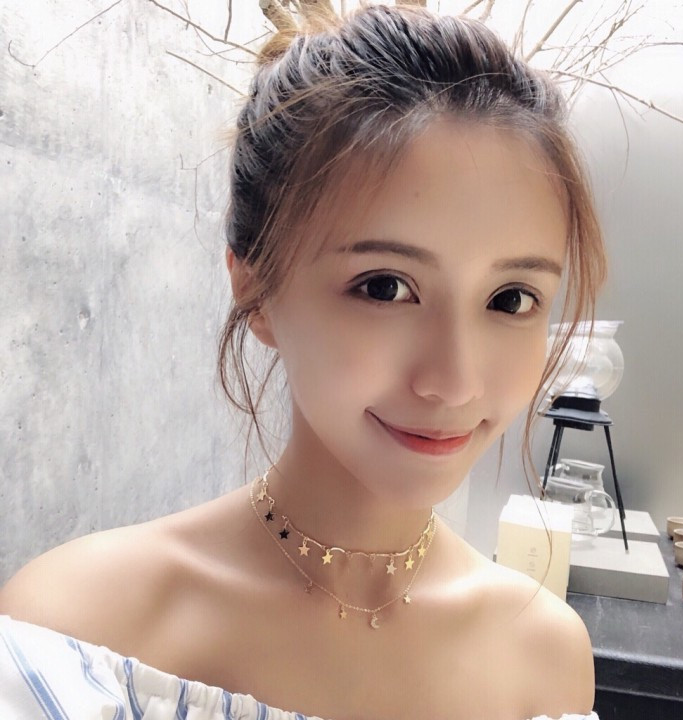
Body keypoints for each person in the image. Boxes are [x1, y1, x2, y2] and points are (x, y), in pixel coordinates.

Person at [0, 4, 606, 719]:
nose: (454, 382)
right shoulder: (76, 631)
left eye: (511, 299)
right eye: (385, 287)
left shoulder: (544, 658)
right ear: (256, 289)